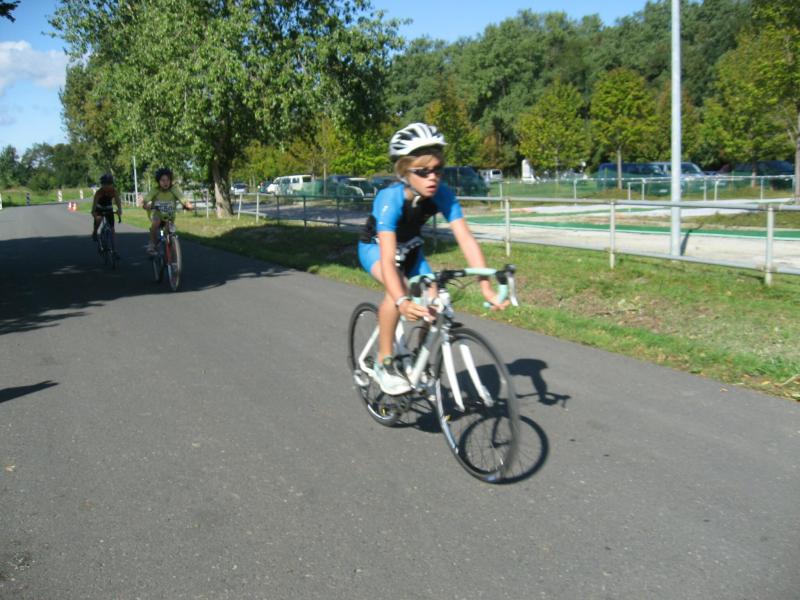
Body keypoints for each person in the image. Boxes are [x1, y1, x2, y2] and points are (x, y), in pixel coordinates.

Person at [358, 122, 508, 395]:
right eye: (422, 171)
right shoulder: (390, 198)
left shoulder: (443, 194)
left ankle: (420, 358)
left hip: (411, 249)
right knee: (398, 290)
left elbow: (466, 239)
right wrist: (402, 301)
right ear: (404, 172)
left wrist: (486, 286)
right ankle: (383, 362)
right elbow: (388, 260)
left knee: (435, 301)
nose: (432, 177)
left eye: (438, 169)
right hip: (376, 249)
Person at [142, 167, 192, 254]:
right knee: (156, 223)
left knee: (168, 232)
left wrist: (187, 205)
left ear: (170, 180)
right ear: (158, 181)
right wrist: (145, 205)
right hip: (158, 214)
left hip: (169, 216)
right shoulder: (155, 190)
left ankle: (171, 251)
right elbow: (146, 200)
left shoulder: (174, 190)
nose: (165, 182)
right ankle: (152, 244)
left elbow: (182, 198)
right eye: (163, 180)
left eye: (168, 180)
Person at [91, 174, 122, 258]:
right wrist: (93, 212)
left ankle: (114, 250)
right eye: (105, 184)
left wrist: (119, 209)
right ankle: (95, 232)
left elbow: (118, 201)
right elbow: (94, 203)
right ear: (102, 184)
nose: (107, 186)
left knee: (112, 229)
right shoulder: (99, 192)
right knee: (98, 219)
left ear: (111, 184)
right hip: (99, 208)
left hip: (108, 208)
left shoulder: (114, 191)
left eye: (109, 184)